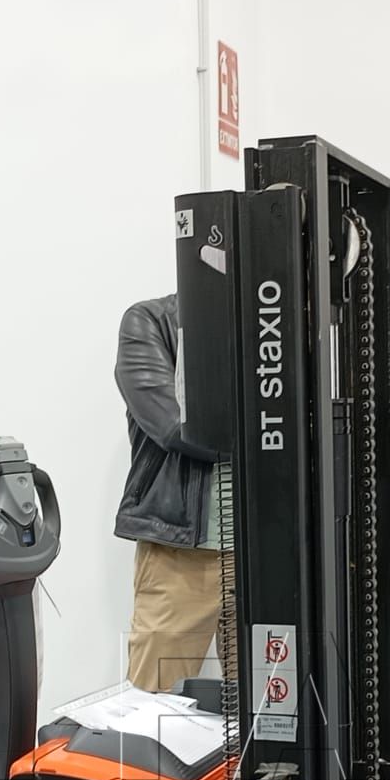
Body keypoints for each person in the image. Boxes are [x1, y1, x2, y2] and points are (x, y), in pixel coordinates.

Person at [112, 293, 228, 693]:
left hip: (267, 555)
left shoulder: (277, 326)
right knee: (155, 702)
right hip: (181, 555)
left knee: (272, 710)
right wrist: (270, 432)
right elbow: (175, 425)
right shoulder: (151, 321)